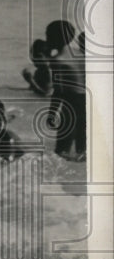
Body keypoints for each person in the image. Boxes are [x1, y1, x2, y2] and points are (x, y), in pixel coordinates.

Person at [45, 20, 86, 160]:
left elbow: (58, 91)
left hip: (71, 105)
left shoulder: (58, 60)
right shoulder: (81, 53)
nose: (46, 39)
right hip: (87, 104)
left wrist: (52, 113)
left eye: (48, 36)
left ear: (55, 38)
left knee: (61, 152)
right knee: (84, 150)